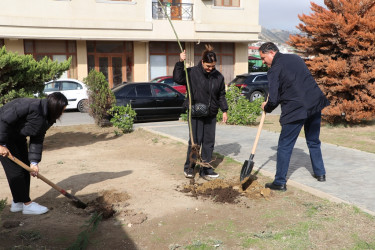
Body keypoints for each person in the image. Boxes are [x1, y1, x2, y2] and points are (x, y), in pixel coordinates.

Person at [259, 42, 330, 191]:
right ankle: (320, 173)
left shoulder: (274, 70)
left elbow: (273, 99)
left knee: (285, 146)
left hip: (295, 110)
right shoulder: (296, 58)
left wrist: (267, 107)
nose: (263, 62)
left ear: (272, 52)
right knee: (313, 141)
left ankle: (279, 182)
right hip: (314, 104)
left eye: (263, 58)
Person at [0, 92, 68, 214]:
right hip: (3, 134)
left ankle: (18, 202)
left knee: (26, 168)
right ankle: (27, 204)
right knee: (15, 171)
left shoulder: (48, 118)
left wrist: (34, 162)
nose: (62, 113)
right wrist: (1, 144)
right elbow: (3, 120)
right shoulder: (30, 106)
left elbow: (37, 138)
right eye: (62, 110)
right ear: (55, 108)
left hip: (17, 137)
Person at [173, 44, 228, 179]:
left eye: (212, 66)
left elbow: (221, 94)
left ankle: (206, 169)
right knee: (195, 142)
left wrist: (224, 110)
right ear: (202, 61)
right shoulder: (192, 73)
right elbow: (178, 78)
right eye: (208, 66)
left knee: (209, 142)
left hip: (211, 113)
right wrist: (180, 62)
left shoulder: (218, 77)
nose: (210, 69)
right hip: (195, 112)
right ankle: (190, 168)